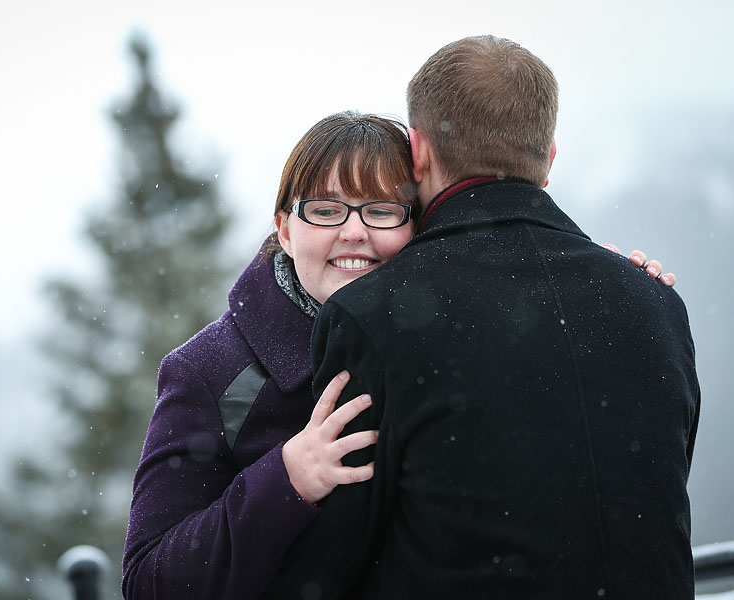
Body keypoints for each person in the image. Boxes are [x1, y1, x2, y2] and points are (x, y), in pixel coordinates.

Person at [122, 111, 674, 600]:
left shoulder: (459, 331)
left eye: (382, 210)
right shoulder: (210, 370)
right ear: (284, 230)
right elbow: (150, 582)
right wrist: (286, 478)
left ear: (420, 224)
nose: (354, 233)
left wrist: (612, 287)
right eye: (324, 210)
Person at [262, 36, 700, 600]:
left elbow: (334, 555)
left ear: (417, 152)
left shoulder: (373, 314)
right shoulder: (654, 302)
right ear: (548, 158)